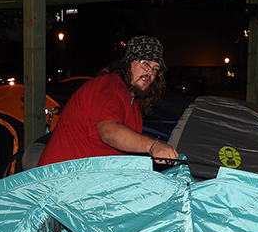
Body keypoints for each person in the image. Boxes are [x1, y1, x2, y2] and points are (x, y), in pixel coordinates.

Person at [37, 35, 179, 166]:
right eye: (145, 63)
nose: (150, 72)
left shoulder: (134, 107)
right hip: (61, 180)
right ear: (128, 62)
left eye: (155, 69)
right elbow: (109, 131)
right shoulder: (111, 85)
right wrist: (153, 146)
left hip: (91, 181)